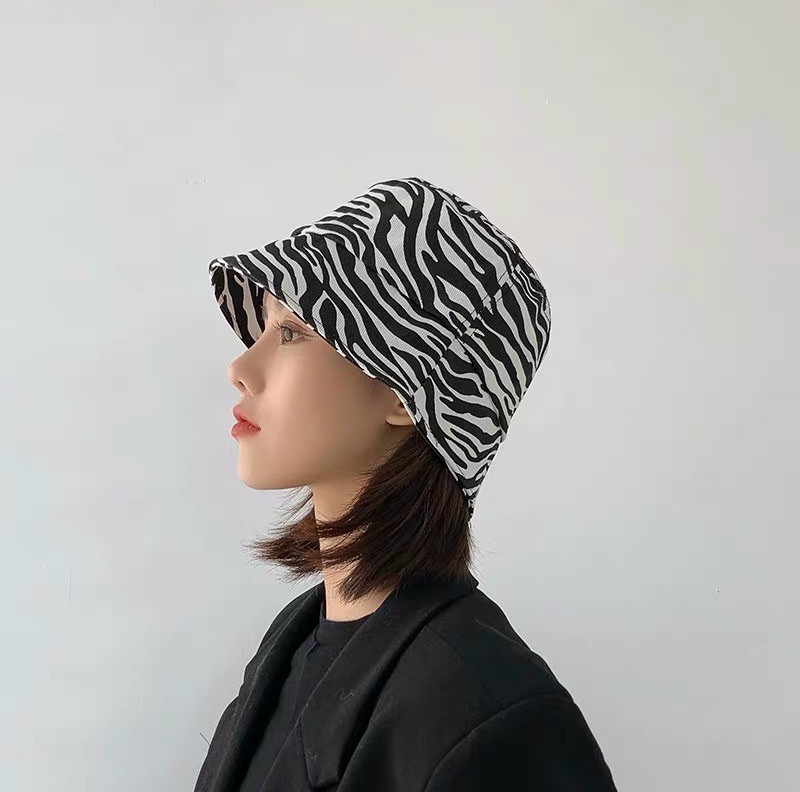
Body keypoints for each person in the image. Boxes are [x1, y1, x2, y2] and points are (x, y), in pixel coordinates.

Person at [193, 177, 618, 791]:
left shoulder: (495, 715)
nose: (240, 367)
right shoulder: (292, 646)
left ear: (404, 391)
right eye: (262, 329)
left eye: (292, 333)